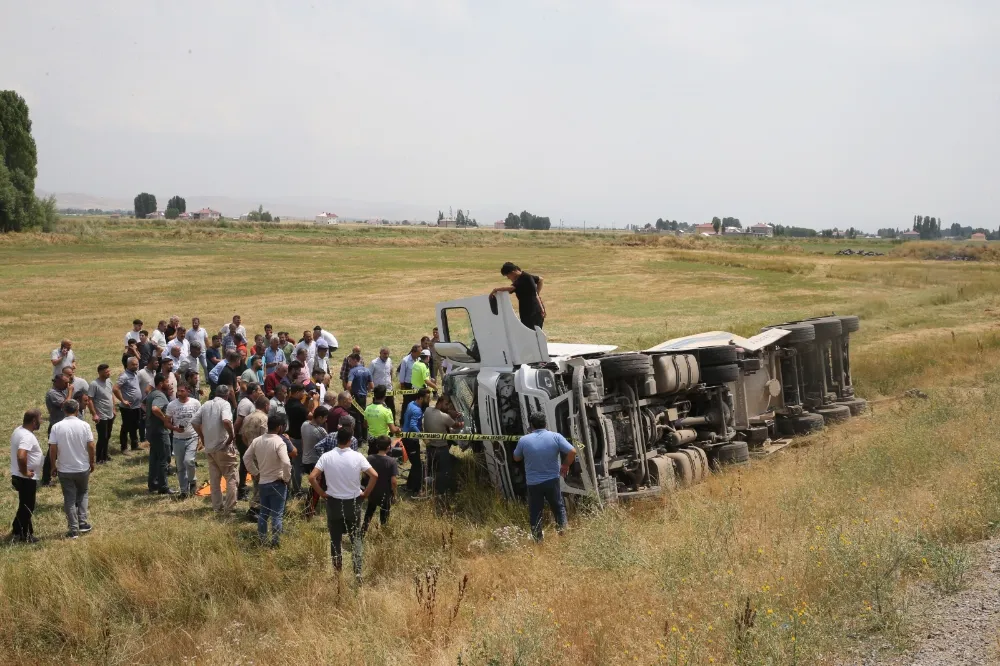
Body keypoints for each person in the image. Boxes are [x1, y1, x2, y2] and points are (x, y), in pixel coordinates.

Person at [309, 428, 378, 581]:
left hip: (333, 502)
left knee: (335, 539)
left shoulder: (326, 457)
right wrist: (365, 493)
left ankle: (337, 572)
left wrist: (322, 493)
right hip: (353, 502)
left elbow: (312, 477)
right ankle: (358, 572)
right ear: (350, 440)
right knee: (356, 537)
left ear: (336, 439)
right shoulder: (357, 456)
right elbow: (374, 475)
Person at [512, 411, 576, 541]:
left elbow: (516, 458)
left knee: (536, 512)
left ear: (531, 425)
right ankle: (563, 537)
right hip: (552, 480)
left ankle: (538, 541)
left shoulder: (524, 440)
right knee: (558, 508)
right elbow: (572, 451)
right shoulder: (555, 437)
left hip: (533, 483)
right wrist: (565, 465)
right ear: (545, 423)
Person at [243, 412, 292, 547]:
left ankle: (262, 540)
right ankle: (275, 542)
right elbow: (287, 463)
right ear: (280, 427)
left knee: (264, 514)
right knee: (277, 515)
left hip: (263, 482)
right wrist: (286, 478)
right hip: (278, 482)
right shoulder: (279, 442)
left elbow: (246, 458)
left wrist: (255, 472)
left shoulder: (257, 441)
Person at [48, 399, 96, 539]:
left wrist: (53, 465)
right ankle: (83, 523)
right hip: (82, 467)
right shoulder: (84, 425)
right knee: (83, 493)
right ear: (77, 410)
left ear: (64, 410)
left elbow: (52, 448)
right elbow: (91, 445)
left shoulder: (56, 427)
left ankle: (73, 530)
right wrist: (92, 462)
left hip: (65, 469)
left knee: (69, 498)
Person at [192, 384, 238, 513]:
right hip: (223, 446)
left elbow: (194, 421)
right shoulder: (225, 404)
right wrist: (231, 436)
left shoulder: (206, 404)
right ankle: (230, 507)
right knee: (231, 477)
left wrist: (202, 436)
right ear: (227, 395)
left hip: (210, 447)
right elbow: (226, 421)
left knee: (214, 479)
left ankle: (217, 507)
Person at [10, 409, 43, 543]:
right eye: (40, 419)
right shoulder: (27, 436)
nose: (41, 421)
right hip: (25, 477)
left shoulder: (18, 430)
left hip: (18, 475)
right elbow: (21, 455)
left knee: (24, 505)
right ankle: (24, 535)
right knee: (28, 507)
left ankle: (19, 530)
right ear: (34, 421)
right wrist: (25, 472)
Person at [166, 382, 201, 497]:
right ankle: (184, 491)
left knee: (189, 461)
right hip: (177, 439)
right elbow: (167, 422)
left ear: (188, 391)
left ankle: (192, 481)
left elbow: (200, 420)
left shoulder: (195, 403)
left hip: (192, 437)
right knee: (180, 466)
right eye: (178, 391)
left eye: (182, 391)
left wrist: (201, 436)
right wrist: (174, 428)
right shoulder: (172, 405)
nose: (179, 393)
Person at [240, 395, 271, 520]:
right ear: (266, 406)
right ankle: (255, 509)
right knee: (261, 482)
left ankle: (256, 507)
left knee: (256, 480)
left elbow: (242, 436)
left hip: (250, 451)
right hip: (261, 455)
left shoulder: (247, 417)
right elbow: (266, 438)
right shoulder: (263, 418)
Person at [424, 394, 462, 495]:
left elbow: (438, 411)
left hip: (430, 447)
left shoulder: (427, 411)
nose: (448, 407)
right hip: (442, 448)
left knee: (433, 468)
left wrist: (449, 412)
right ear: (440, 403)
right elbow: (456, 425)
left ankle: (431, 486)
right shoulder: (444, 417)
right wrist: (461, 421)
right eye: (446, 404)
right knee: (446, 470)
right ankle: (444, 491)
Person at [144, 373, 175, 495]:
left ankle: (153, 484)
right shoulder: (160, 395)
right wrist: (165, 419)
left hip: (151, 430)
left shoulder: (151, 394)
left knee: (154, 458)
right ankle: (163, 486)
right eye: (167, 382)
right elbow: (155, 409)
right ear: (161, 383)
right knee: (164, 458)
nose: (169, 384)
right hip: (160, 432)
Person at [492, 262, 546, 329]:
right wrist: (536, 293)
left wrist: (496, 289)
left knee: (532, 330)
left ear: (513, 272)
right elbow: (540, 279)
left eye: (508, 275)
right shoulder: (525, 276)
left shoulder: (524, 278)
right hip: (530, 307)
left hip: (532, 309)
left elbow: (511, 288)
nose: (508, 278)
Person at [362, 435, 398, 535]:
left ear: (377, 446)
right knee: (384, 515)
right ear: (389, 447)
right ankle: (383, 534)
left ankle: (362, 533)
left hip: (372, 492)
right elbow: (394, 481)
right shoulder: (392, 462)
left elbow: (364, 475)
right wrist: (395, 494)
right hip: (385, 494)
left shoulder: (369, 458)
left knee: (369, 513)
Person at [285, 383, 316, 496]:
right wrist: (314, 401)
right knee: (297, 465)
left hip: (291, 435)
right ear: (297, 392)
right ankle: (297, 490)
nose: (304, 394)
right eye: (302, 392)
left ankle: (294, 488)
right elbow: (311, 416)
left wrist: (307, 399)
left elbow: (304, 410)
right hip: (297, 438)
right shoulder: (297, 406)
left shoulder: (290, 402)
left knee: (294, 465)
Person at [234, 383, 262, 500]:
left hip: (246, 436)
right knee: (245, 463)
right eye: (259, 390)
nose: (261, 392)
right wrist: (234, 436)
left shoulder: (250, 402)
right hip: (242, 437)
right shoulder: (246, 404)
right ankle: (241, 489)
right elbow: (239, 421)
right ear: (253, 391)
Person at [401, 388, 430, 493]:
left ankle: (410, 485)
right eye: (427, 398)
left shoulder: (411, 403)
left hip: (407, 437)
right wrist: (423, 436)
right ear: (421, 398)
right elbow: (413, 425)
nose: (429, 400)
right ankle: (415, 488)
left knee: (416, 464)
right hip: (410, 440)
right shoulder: (417, 410)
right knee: (417, 465)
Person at [87, 364, 116, 464]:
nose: (109, 373)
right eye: (106, 372)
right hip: (101, 415)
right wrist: (94, 414)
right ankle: (99, 458)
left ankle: (105, 455)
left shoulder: (109, 381)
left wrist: (114, 408)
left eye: (109, 371)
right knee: (102, 437)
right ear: (100, 372)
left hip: (110, 414)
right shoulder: (94, 384)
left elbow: (111, 394)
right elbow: (89, 400)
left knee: (107, 436)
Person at [114, 357, 143, 454]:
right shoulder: (124, 376)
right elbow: (115, 389)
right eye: (133, 364)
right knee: (126, 427)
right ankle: (124, 447)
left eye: (137, 364)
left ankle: (135, 444)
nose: (136, 366)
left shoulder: (135, 374)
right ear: (128, 365)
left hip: (136, 406)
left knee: (135, 426)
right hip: (128, 408)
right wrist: (122, 400)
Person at [364, 386, 400, 450]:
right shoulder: (387, 411)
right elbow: (392, 430)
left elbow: (365, 425)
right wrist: (397, 429)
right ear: (385, 397)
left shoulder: (367, 408)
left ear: (374, 396)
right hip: (384, 441)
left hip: (371, 440)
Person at [369, 347, 395, 417]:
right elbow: (369, 375)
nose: (386, 355)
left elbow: (391, 371)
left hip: (388, 389)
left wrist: (390, 381)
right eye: (384, 354)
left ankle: (392, 424)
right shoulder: (374, 363)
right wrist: (370, 388)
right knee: (377, 409)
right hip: (378, 390)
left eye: (387, 354)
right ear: (380, 353)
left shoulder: (389, 360)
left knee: (391, 408)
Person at [398, 344, 420, 414]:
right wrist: (402, 385)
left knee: (416, 403)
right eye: (419, 352)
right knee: (406, 404)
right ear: (414, 352)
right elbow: (402, 374)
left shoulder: (419, 359)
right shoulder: (405, 360)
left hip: (417, 384)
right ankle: (403, 421)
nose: (420, 354)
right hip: (408, 385)